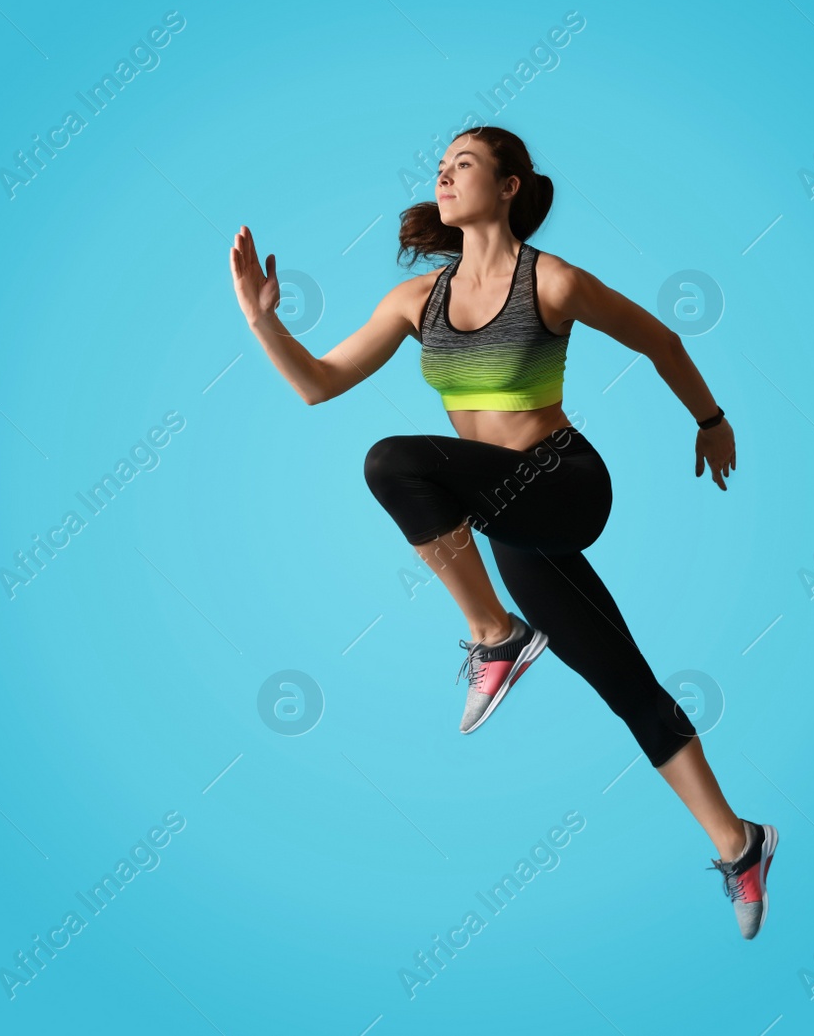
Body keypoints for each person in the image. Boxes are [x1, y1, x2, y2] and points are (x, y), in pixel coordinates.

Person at [228, 125, 777, 939]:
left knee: (392, 461)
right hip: (507, 520)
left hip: (564, 483)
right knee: (627, 684)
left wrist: (711, 417)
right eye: (440, 168)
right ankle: (741, 843)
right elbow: (319, 383)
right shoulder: (417, 301)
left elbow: (659, 339)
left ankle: (495, 636)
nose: (444, 177)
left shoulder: (549, 282)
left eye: (465, 165)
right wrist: (261, 320)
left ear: (511, 185)